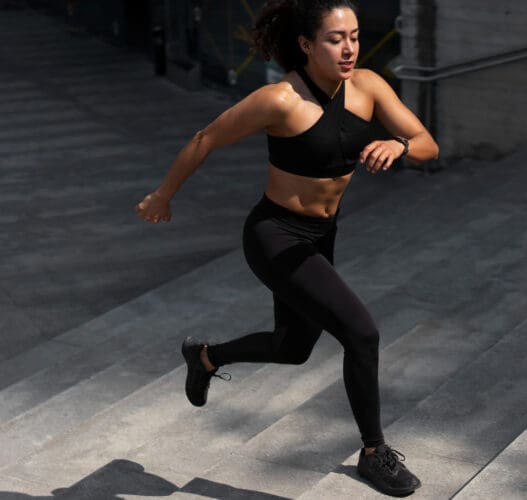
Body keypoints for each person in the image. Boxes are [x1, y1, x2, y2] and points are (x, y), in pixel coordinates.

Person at [134, 0, 439, 496]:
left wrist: (401, 146)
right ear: (306, 44)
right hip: (274, 235)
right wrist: (163, 195)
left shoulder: (368, 86)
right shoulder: (280, 99)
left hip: (321, 237)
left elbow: (428, 142)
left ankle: (205, 358)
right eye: (335, 38)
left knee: (293, 348)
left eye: (355, 36)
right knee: (361, 334)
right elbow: (206, 137)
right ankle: (374, 453)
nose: (349, 48)